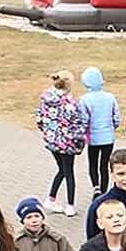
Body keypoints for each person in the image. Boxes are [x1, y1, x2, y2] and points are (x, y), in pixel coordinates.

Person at [36, 70, 87, 217]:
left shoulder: (46, 98)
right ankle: (70, 205)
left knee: (62, 170)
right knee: (69, 172)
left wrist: (47, 133)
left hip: (52, 141)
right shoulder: (69, 103)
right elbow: (77, 123)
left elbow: (39, 118)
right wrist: (79, 140)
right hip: (66, 143)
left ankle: (51, 198)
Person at [78, 66, 120, 197]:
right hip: (108, 137)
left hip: (93, 138)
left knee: (93, 163)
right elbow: (116, 117)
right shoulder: (110, 97)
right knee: (104, 165)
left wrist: (82, 133)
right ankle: (104, 190)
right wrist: (112, 127)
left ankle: (96, 187)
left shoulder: (84, 99)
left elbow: (84, 119)